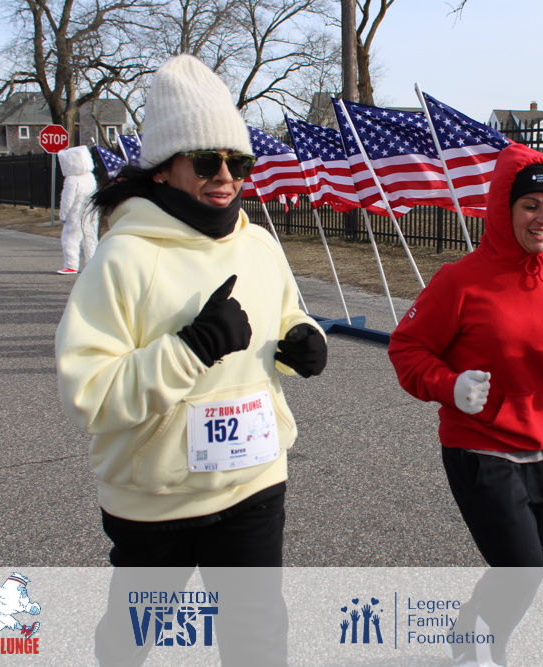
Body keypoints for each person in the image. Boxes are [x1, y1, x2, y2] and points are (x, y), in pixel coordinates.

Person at [55, 54, 327, 665]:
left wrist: (303, 341)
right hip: (157, 498)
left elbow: (287, 313)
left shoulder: (259, 244)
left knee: (258, 642)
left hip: (255, 479)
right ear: (163, 168)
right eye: (206, 161)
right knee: (132, 643)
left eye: (238, 162)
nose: (225, 176)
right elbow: (88, 394)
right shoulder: (122, 258)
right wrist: (190, 349)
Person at [388, 141, 543, 666]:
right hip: (481, 450)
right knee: (520, 569)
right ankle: (479, 652)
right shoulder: (460, 280)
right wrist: (448, 385)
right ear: (504, 209)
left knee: (527, 572)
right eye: (530, 205)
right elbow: (406, 348)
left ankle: (470, 634)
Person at [56, 145, 99, 275]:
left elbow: (67, 199)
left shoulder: (71, 179)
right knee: (90, 237)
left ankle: (71, 265)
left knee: (70, 238)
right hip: (91, 212)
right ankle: (92, 263)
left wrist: (63, 215)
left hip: (75, 214)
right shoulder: (90, 177)